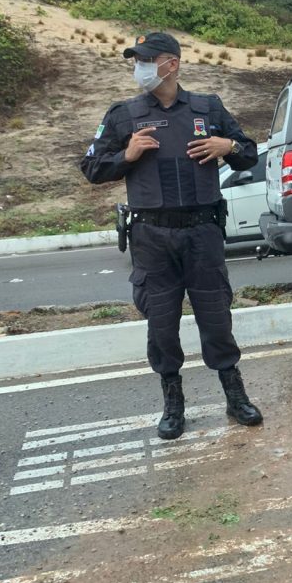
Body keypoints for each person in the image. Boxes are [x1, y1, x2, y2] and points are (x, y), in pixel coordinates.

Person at [80, 31, 263, 439]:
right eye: (136, 60)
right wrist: (125, 156)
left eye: (146, 60)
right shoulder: (123, 115)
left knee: (216, 319)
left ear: (172, 64)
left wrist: (226, 144)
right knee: (161, 325)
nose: (138, 68)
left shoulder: (207, 107)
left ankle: (235, 399)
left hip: (202, 233)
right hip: (152, 237)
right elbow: (91, 167)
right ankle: (173, 405)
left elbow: (249, 151)